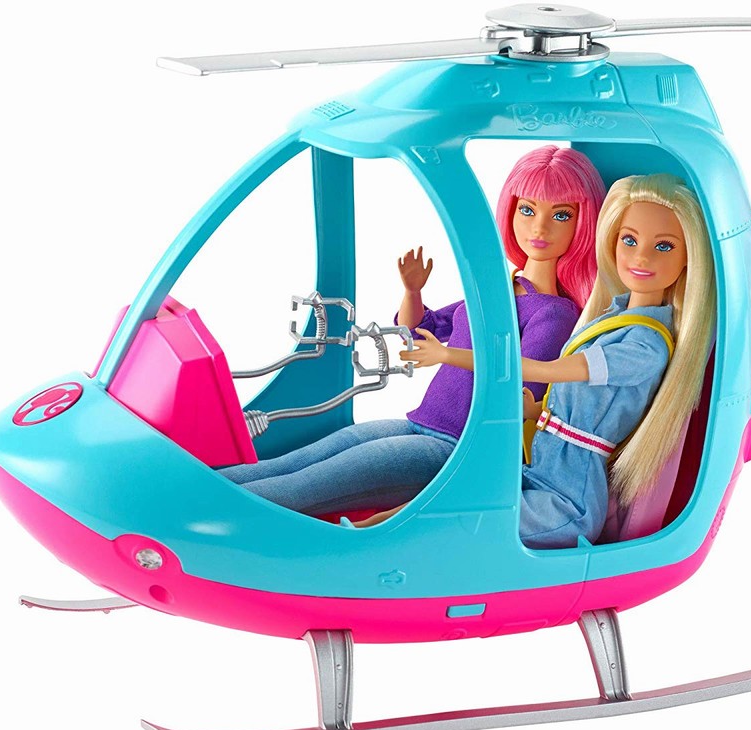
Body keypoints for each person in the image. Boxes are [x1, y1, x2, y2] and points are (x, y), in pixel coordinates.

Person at [220, 146, 607, 516]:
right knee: (299, 460)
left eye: (560, 215)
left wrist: (446, 355)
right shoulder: (500, 291)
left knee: (303, 486)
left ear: (583, 223)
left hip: (455, 451)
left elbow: (517, 382)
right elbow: (421, 328)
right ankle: (198, 487)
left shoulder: (555, 313)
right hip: (420, 423)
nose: (539, 227)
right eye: (527, 209)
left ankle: (203, 513)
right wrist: (413, 291)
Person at [403, 174, 716, 547]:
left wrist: (447, 355)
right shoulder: (609, 318)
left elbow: (548, 371)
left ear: (688, 258)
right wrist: (536, 410)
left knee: (448, 523)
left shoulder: (645, 344)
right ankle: (369, 530)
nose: (642, 257)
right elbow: (583, 401)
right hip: (534, 472)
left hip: (566, 501)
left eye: (664, 246)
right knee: (432, 508)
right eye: (629, 241)